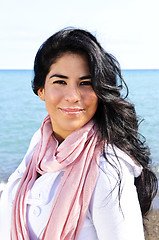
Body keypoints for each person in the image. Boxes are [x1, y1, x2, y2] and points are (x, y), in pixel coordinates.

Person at [0, 28, 158, 240]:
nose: (73, 96)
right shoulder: (39, 145)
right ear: (41, 90)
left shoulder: (108, 168)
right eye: (60, 82)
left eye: (85, 83)